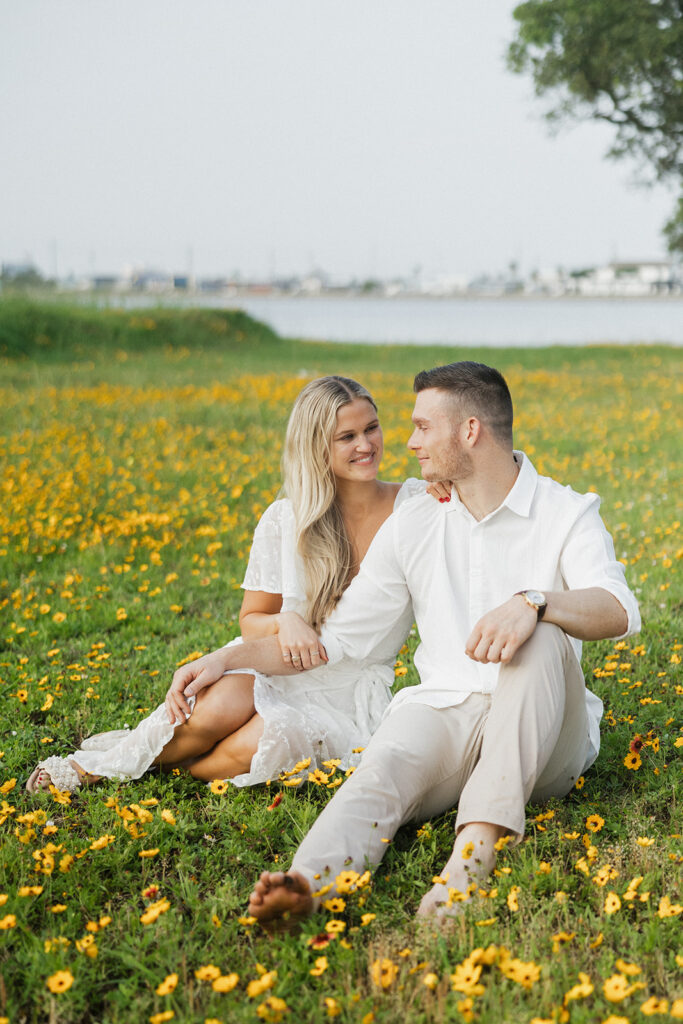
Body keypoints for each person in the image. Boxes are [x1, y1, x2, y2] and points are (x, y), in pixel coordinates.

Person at [162, 360, 640, 924]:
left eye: (421, 427)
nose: (408, 443)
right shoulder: (416, 522)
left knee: (538, 640)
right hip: (446, 712)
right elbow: (337, 644)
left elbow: (618, 609)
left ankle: (467, 869)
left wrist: (535, 602)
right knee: (383, 767)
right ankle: (308, 884)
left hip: (548, 739)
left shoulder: (566, 511)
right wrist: (223, 658)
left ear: (469, 432)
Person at [26, 376, 430, 794]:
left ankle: (159, 768)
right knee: (211, 712)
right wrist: (286, 620)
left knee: (261, 742)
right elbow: (253, 617)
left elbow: (485, 476)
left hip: (348, 690)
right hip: (271, 659)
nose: (366, 445)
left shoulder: (418, 506)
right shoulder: (285, 518)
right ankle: (96, 765)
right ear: (315, 446)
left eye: (371, 428)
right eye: (346, 436)